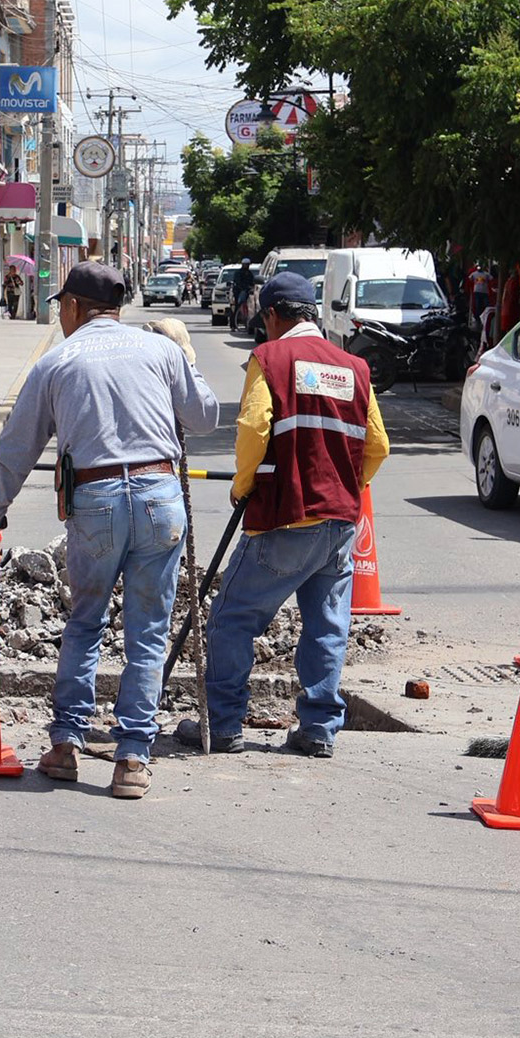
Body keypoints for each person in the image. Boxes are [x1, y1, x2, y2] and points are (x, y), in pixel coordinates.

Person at [0, 261, 219, 800]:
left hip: (97, 500)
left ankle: (65, 745)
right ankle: (131, 758)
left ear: (76, 307)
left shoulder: (58, 361)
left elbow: (17, 445)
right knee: (147, 631)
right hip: (159, 497)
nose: (59, 315)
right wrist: (188, 359)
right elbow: (204, 418)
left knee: (85, 623)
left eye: (61, 305)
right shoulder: (161, 350)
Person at [176, 272, 389, 759]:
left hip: (286, 517)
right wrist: (348, 488)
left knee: (232, 618)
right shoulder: (354, 367)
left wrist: (243, 483)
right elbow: (377, 445)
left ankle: (224, 724)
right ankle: (317, 729)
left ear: (272, 316)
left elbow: (254, 425)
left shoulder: (270, 359)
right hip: (340, 524)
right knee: (326, 626)